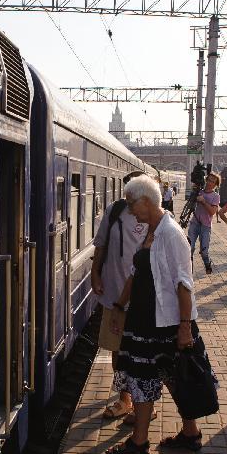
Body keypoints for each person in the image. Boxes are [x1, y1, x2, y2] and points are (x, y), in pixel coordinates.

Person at [104, 174, 213, 454]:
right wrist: (118, 306)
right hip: (144, 320)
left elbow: (184, 283)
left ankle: (139, 443)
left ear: (145, 200)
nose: (130, 210)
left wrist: (185, 327)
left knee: (165, 378)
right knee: (157, 378)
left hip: (166, 323)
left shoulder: (170, 234)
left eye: (131, 204)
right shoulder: (148, 231)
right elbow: (135, 274)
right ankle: (189, 434)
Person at [91, 171, 147, 422]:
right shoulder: (114, 211)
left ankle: (144, 403)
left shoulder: (155, 216)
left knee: (141, 351)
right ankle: (124, 399)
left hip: (143, 297)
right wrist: (95, 274)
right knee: (117, 349)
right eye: (127, 190)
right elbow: (100, 245)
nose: (128, 196)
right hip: (114, 293)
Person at [187, 172, 220, 274]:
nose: (210, 183)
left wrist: (203, 201)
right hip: (194, 223)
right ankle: (189, 270)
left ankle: (207, 263)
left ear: (216, 184)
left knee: (204, 252)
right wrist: (193, 195)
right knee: (189, 249)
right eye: (209, 180)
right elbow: (189, 206)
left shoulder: (216, 196)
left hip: (205, 226)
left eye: (213, 181)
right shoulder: (199, 192)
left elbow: (212, 212)